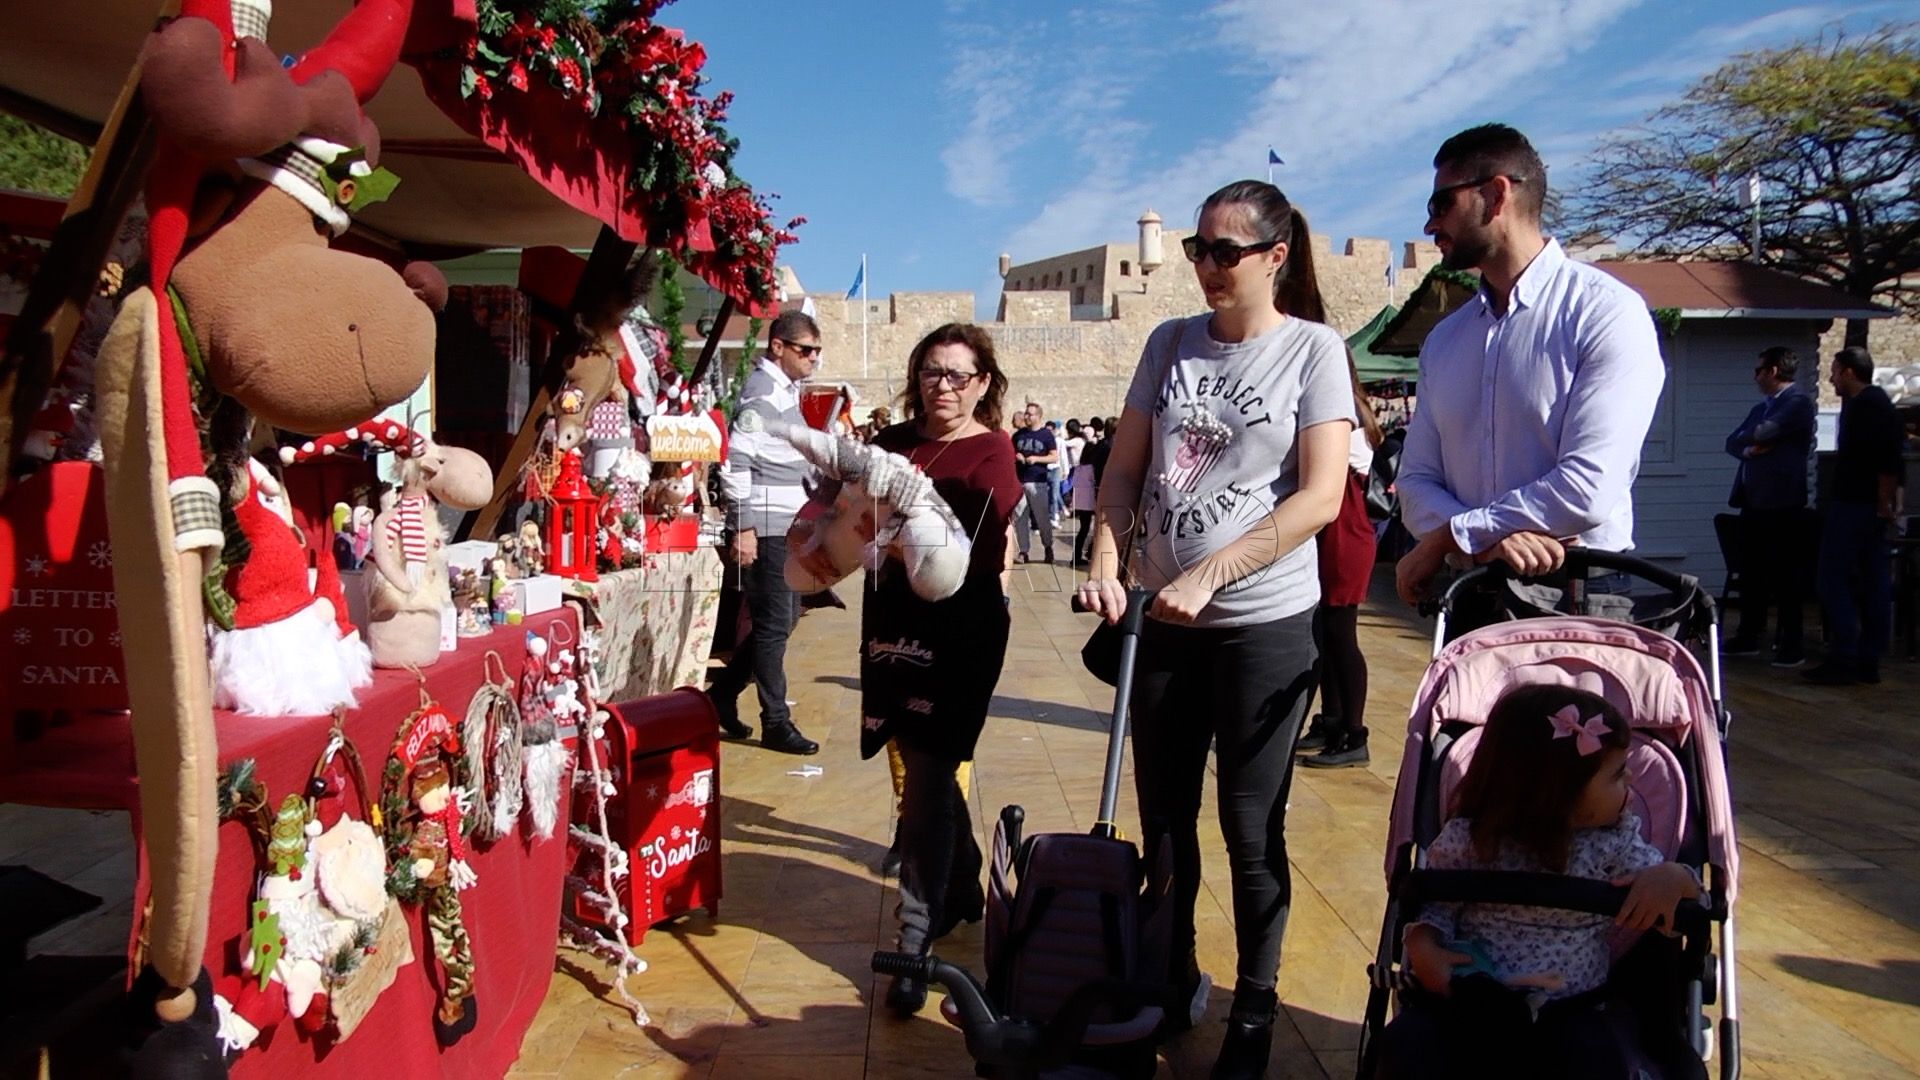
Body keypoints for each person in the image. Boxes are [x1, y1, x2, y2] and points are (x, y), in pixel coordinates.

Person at [1078, 179, 1351, 1079]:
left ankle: (1256, 1007)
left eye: (1225, 251)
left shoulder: (1314, 351)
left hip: (1260, 627)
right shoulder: (1168, 345)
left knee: (1248, 827)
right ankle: (1169, 976)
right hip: (1162, 623)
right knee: (1164, 826)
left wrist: (1211, 573)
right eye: (1198, 249)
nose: (1206, 267)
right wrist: (1106, 558)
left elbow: (1319, 496)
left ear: (1275, 257)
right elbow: (1123, 471)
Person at [1394, 125, 1665, 631]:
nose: (1430, 226)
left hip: (1578, 590)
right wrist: (1484, 540)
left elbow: (1588, 487)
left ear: (1496, 194)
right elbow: (1413, 482)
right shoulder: (1445, 340)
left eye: (1440, 204)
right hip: (1470, 592)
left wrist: (1449, 536)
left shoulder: (1605, 313)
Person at [1373, 684, 1704, 1080]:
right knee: (1405, 1047)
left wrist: (1675, 877)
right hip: (1474, 1001)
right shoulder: (1471, 840)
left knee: (1594, 1063)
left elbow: (1687, 894)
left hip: (1573, 1009)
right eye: (1617, 774)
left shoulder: (1616, 845)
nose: (1631, 780)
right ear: (1558, 793)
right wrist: (1422, 944)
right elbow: (1438, 906)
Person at [865, 323, 1023, 1016]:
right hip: (894, 625)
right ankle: (959, 888)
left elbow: (979, 536)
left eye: (960, 374)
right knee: (920, 763)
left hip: (961, 628)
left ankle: (916, 938)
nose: (945, 386)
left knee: (930, 775)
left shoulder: (991, 451)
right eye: (933, 371)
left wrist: (894, 529)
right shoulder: (889, 445)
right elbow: (849, 512)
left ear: (983, 382)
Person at [712, 311, 825, 755]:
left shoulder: (783, 392)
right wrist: (743, 526)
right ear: (778, 346)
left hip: (787, 524)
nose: (813, 358)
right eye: (805, 350)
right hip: (766, 525)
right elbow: (736, 459)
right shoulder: (762, 394)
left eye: (817, 351)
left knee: (784, 619)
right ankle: (776, 720)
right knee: (775, 623)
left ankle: (721, 696)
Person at [1298, 356, 1385, 768]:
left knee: (1340, 637)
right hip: (1336, 533)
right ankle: (1332, 721)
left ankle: (1355, 734)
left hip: (1343, 535)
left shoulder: (1342, 410)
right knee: (1327, 637)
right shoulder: (1349, 406)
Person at [1806, 346, 1905, 686]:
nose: (1831, 378)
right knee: (1872, 579)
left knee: (1833, 578)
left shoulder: (1869, 407)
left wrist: (1884, 501)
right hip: (1865, 505)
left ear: (1849, 371)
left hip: (1857, 505)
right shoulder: (1872, 406)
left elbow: (1887, 460)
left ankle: (1846, 654)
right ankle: (1867, 658)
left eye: (1834, 371)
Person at [1723, 346, 1816, 666]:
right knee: (1752, 573)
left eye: (1759, 370)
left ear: (1774, 371)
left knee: (1786, 576)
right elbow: (1732, 441)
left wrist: (1753, 437)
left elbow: (1763, 431)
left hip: (1782, 504)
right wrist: (1751, 449)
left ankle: (1791, 644)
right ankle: (1749, 636)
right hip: (1754, 503)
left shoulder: (1797, 404)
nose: (1755, 376)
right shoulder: (1761, 407)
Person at [1011, 401, 1059, 563]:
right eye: (1026, 413)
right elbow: (1010, 453)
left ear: (1038, 417)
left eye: (1029, 414)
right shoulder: (1018, 435)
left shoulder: (1046, 435)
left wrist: (1037, 459)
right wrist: (1015, 456)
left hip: (1037, 481)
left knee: (1042, 517)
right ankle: (1024, 551)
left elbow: (1054, 456)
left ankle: (1048, 546)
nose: (1026, 417)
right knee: (1020, 518)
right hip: (1019, 480)